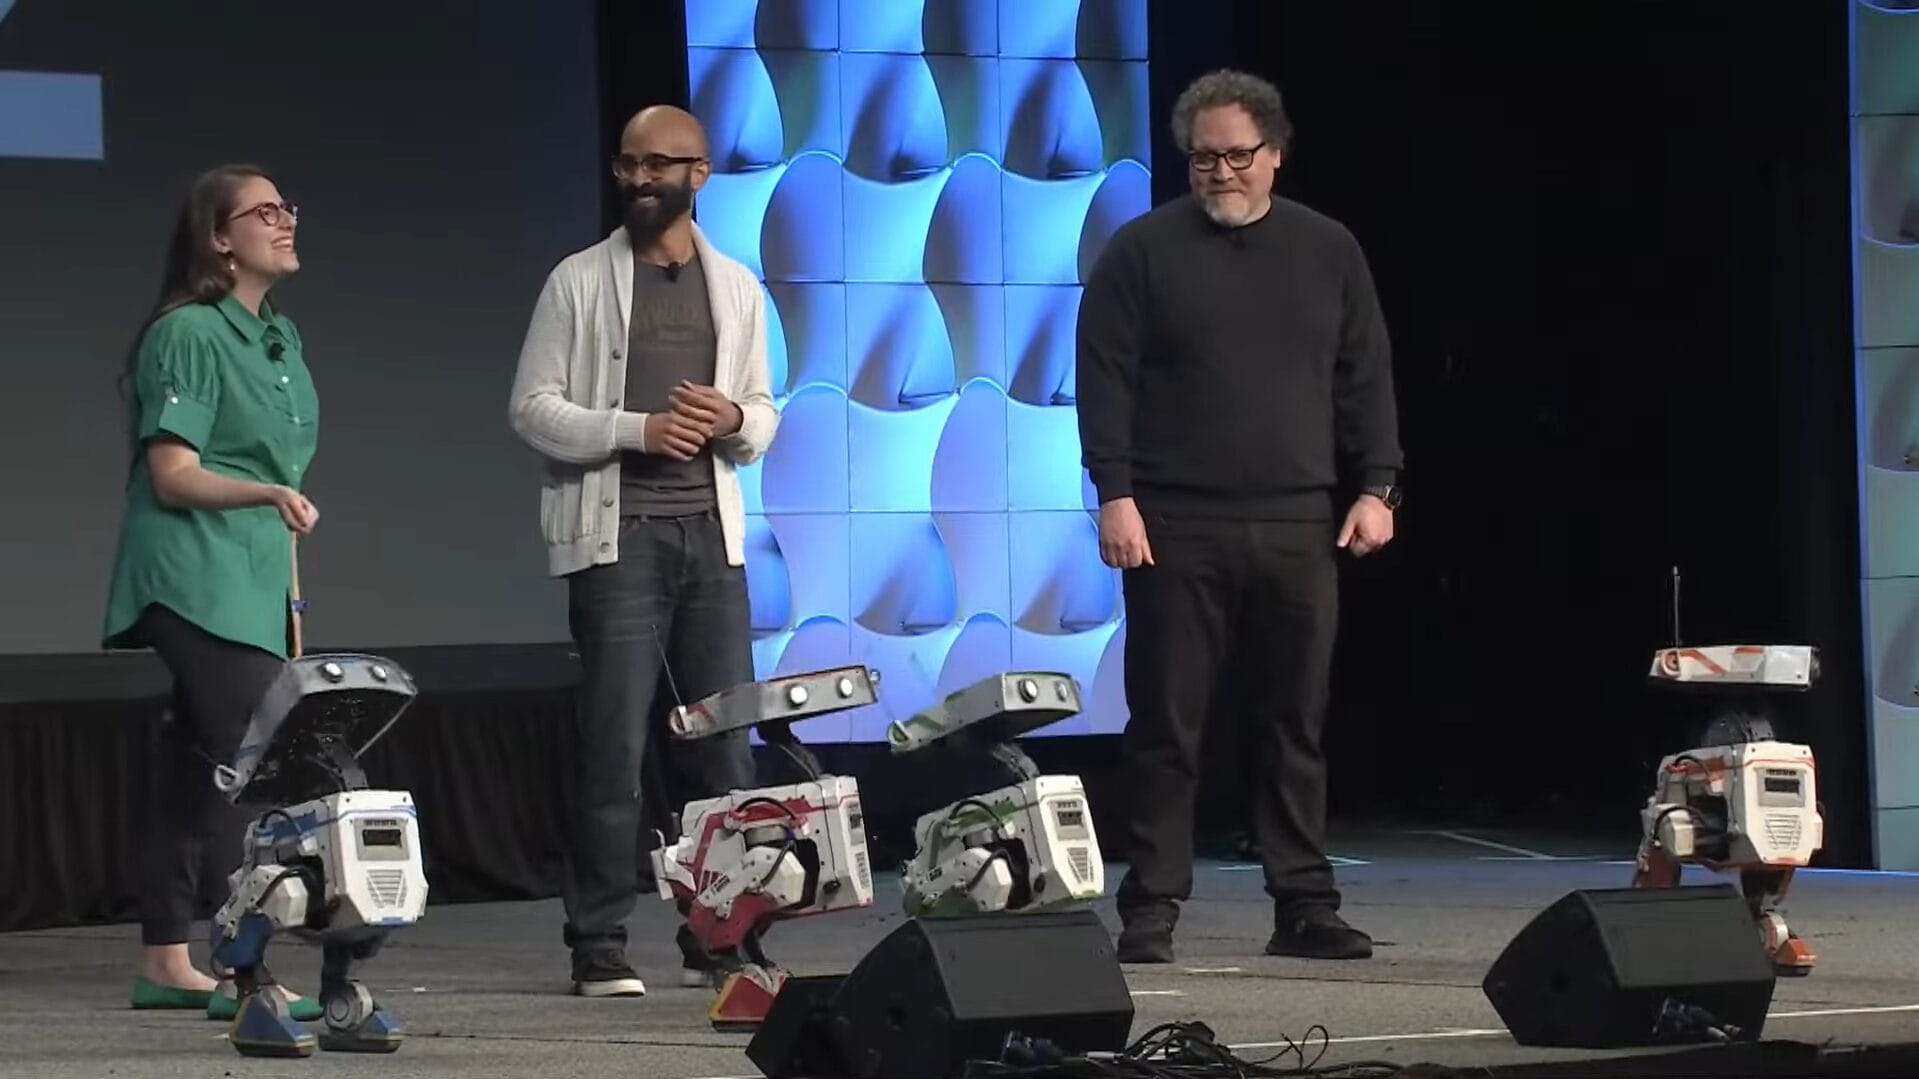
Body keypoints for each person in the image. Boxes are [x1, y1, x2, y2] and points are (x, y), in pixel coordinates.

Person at [1075, 69, 1403, 963]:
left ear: (1274, 155)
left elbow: (1363, 375)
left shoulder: (1327, 248)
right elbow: (1102, 379)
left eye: (1234, 155)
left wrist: (1378, 485)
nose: (1218, 172)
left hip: (1298, 523)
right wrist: (1114, 492)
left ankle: (1303, 903)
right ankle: (1150, 908)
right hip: (1173, 523)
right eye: (1201, 158)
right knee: (1166, 727)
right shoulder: (1138, 252)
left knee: (1291, 720)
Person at [508, 105, 778, 997]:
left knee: (726, 752)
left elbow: (764, 409)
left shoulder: (733, 285)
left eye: (656, 165)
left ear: (699, 174)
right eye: (626, 165)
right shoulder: (578, 280)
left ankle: (722, 936)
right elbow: (532, 407)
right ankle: (598, 941)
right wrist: (640, 427)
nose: (636, 180)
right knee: (613, 746)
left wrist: (733, 419)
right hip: (617, 533)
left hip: (712, 536)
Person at [101, 164, 326, 1020]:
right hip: (190, 571)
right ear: (218, 238)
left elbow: (282, 474)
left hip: (252, 577)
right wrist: (266, 496)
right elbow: (174, 473)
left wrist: (289, 595)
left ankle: (165, 958)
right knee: (254, 759)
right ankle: (248, 966)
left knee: (197, 773)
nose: (284, 220)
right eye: (262, 211)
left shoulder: (279, 339)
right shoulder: (187, 332)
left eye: (286, 207)